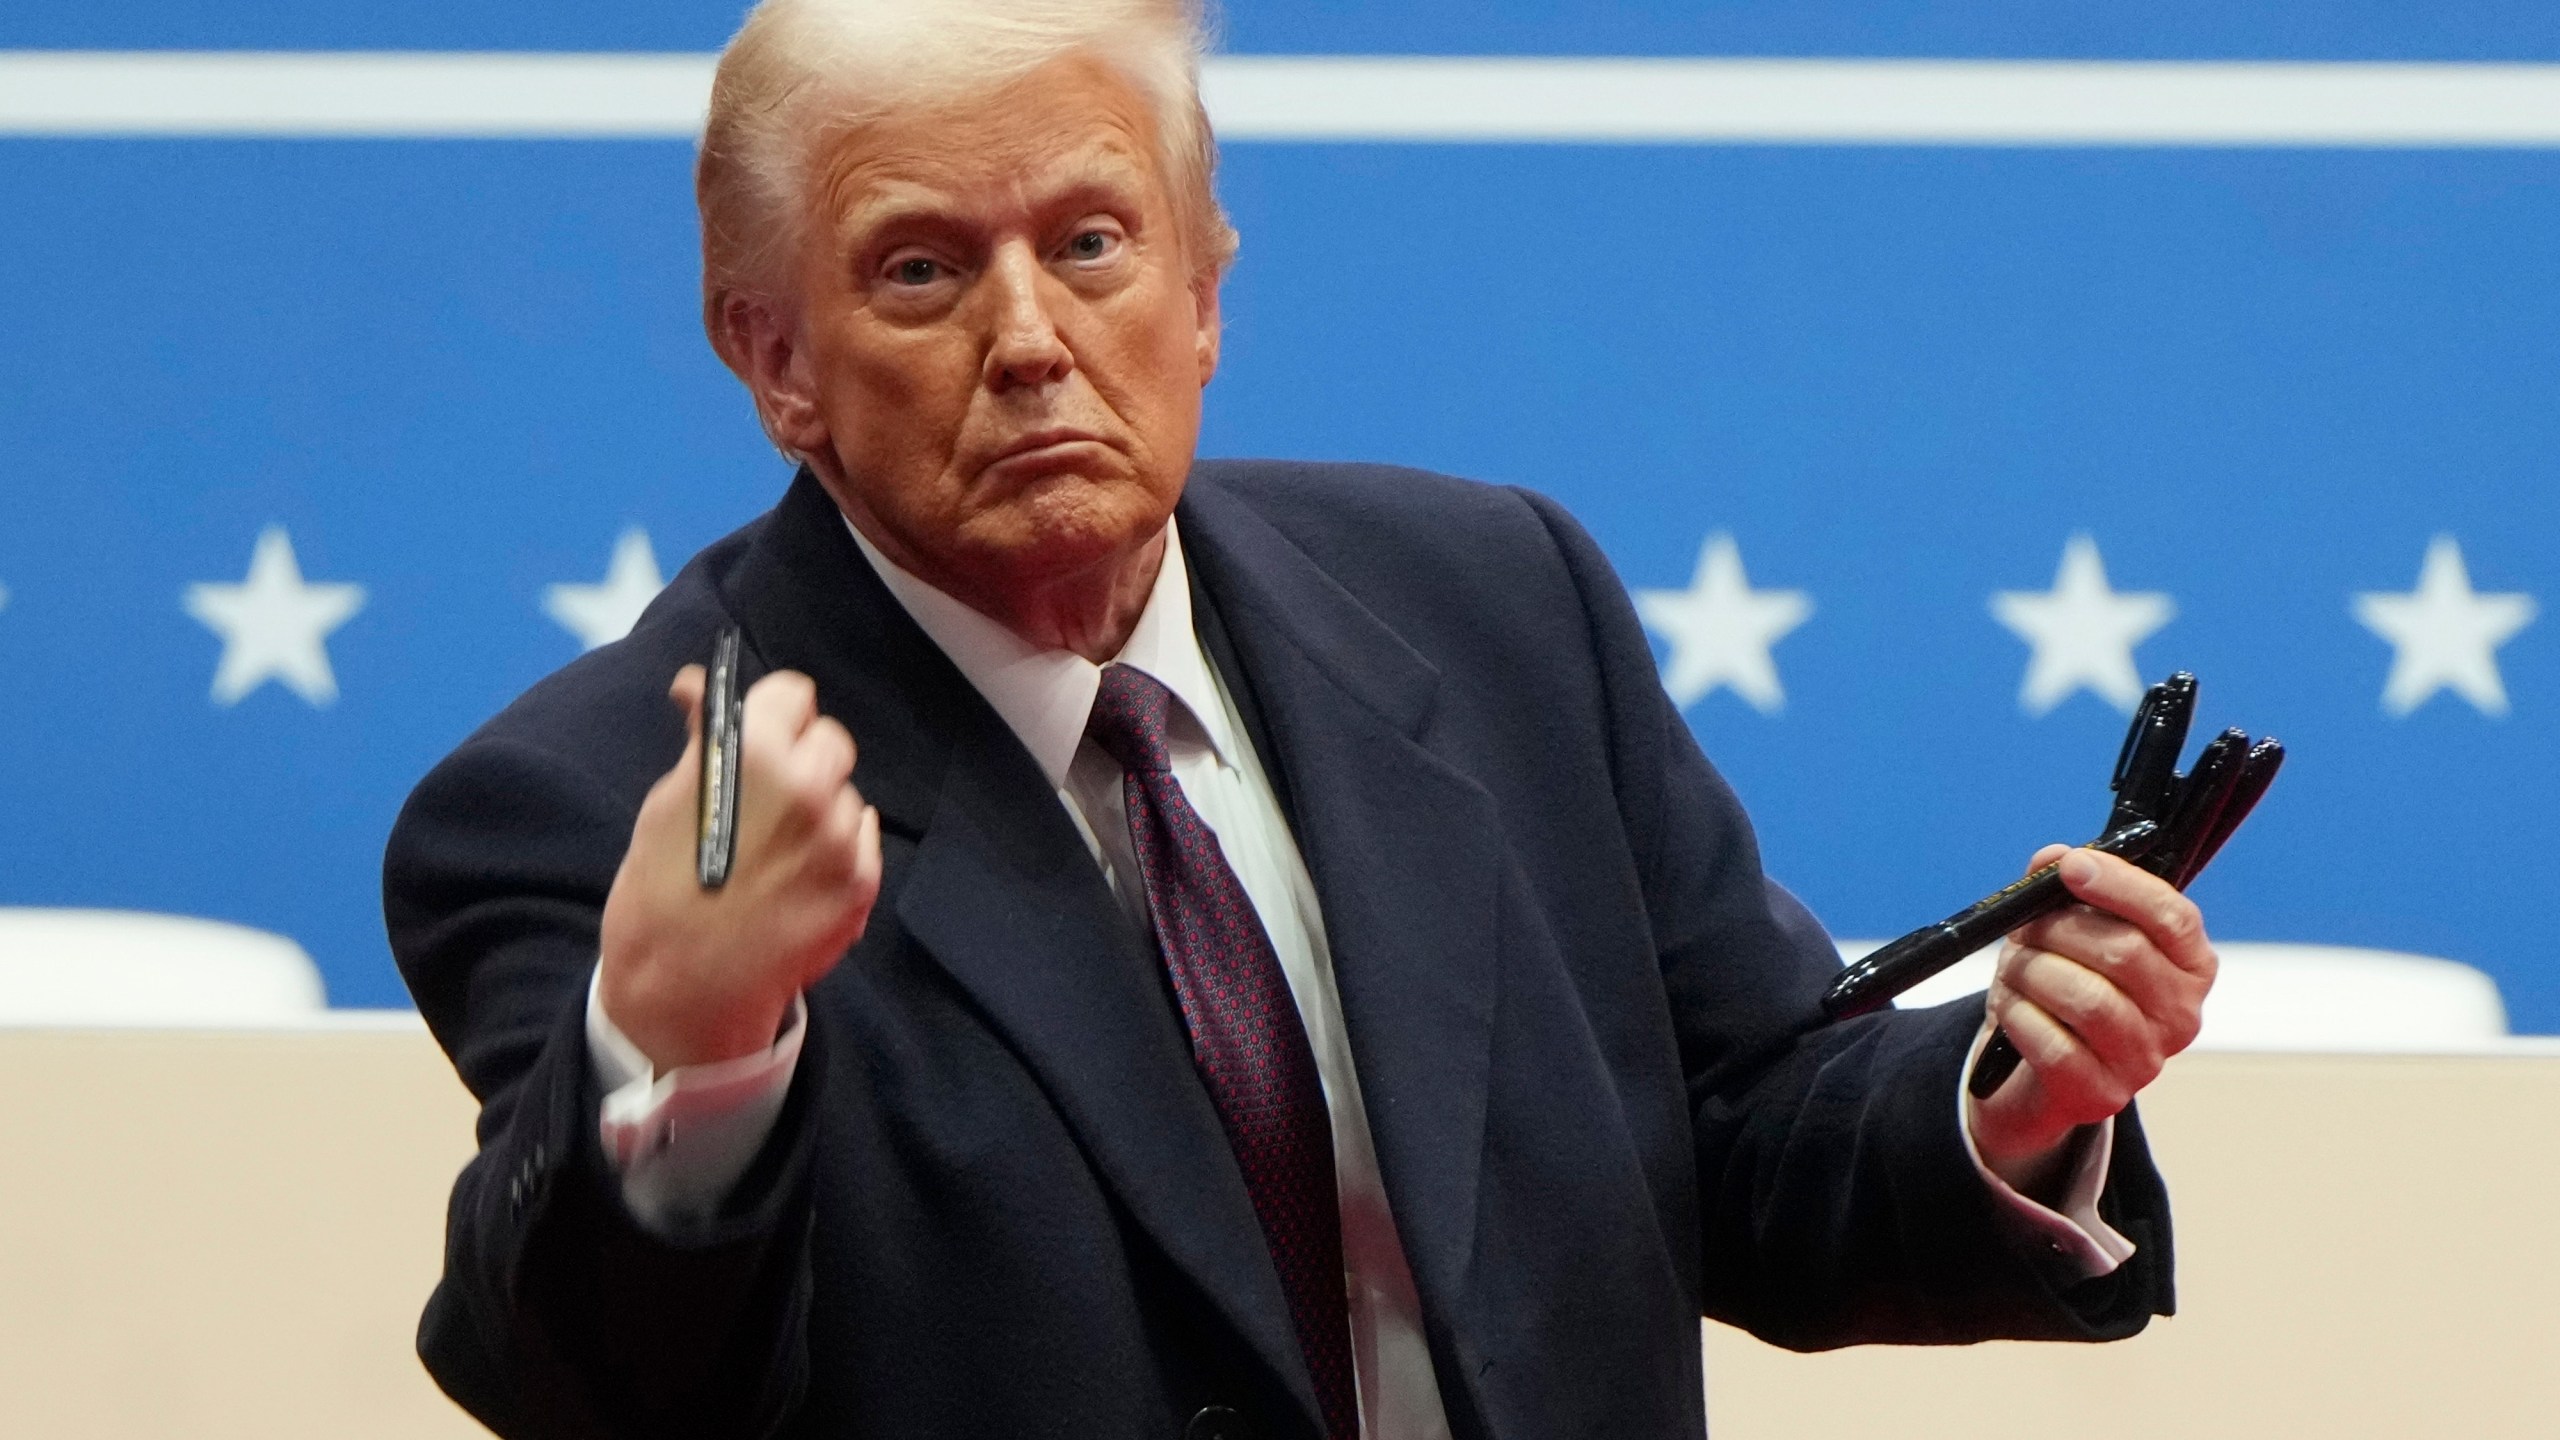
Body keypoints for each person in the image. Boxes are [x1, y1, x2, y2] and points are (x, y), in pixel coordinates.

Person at [384, 3, 2216, 1436]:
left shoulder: (1495, 604)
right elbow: (601, 1395)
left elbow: (1739, 1121)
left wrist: (2012, 1100)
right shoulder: (588, 805)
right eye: (922, 270)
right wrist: (680, 1037)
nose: (1029, 337)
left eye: (1092, 242)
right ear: (775, 358)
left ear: (1203, 294)